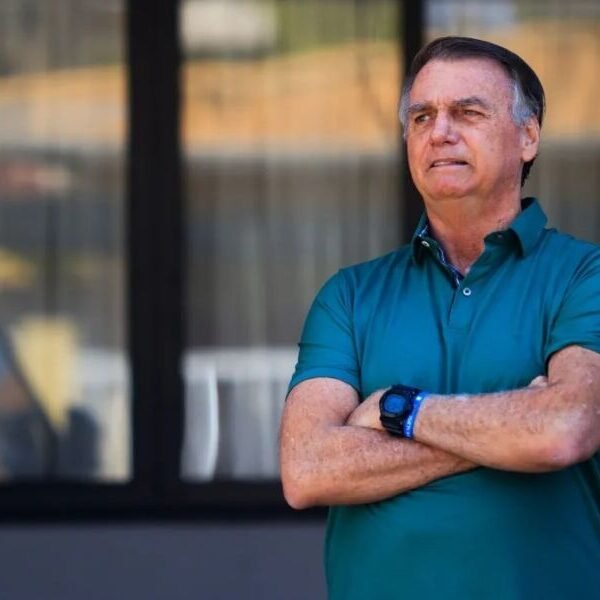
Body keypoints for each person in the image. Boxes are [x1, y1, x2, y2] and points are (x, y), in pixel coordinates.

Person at [279, 36, 600, 599]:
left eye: (468, 112)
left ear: (528, 137)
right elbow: (306, 470)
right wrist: (507, 429)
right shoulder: (350, 295)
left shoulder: (584, 275)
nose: (440, 132)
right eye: (422, 116)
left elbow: (564, 430)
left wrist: (398, 409)